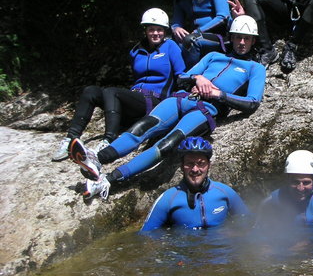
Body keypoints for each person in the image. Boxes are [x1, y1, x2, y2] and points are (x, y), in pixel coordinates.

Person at [69, 15, 266, 200]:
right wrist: (198, 77)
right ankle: (98, 159)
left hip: (205, 110)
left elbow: (252, 103)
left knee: (166, 145)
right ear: (231, 37)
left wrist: (219, 94)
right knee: (142, 127)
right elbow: (182, 77)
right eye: (238, 37)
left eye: (247, 39)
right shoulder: (213, 56)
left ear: (253, 41)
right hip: (181, 98)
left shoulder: (255, 68)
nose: (241, 43)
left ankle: (108, 180)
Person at [52, 8, 185, 161]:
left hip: (154, 100)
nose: (155, 33)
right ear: (146, 30)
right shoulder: (136, 51)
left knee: (111, 91)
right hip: (136, 98)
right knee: (91, 91)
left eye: (159, 30)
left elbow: (181, 74)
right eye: (151, 29)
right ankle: (71, 139)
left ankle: (109, 140)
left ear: (164, 31)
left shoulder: (171, 47)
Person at [141, 136, 250, 231]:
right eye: (189, 163)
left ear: (209, 165)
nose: (195, 169)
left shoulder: (225, 192)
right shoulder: (168, 199)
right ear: (181, 166)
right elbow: (147, 236)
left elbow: (249, 222)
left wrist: (234, 233)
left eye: (200, 163)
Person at [257, 150, 313, 232]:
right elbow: (258, 233)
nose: (300, 188)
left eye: (306, 182)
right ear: (287, 179)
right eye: (295, 182)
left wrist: (308, 242)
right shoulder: (272, 200)